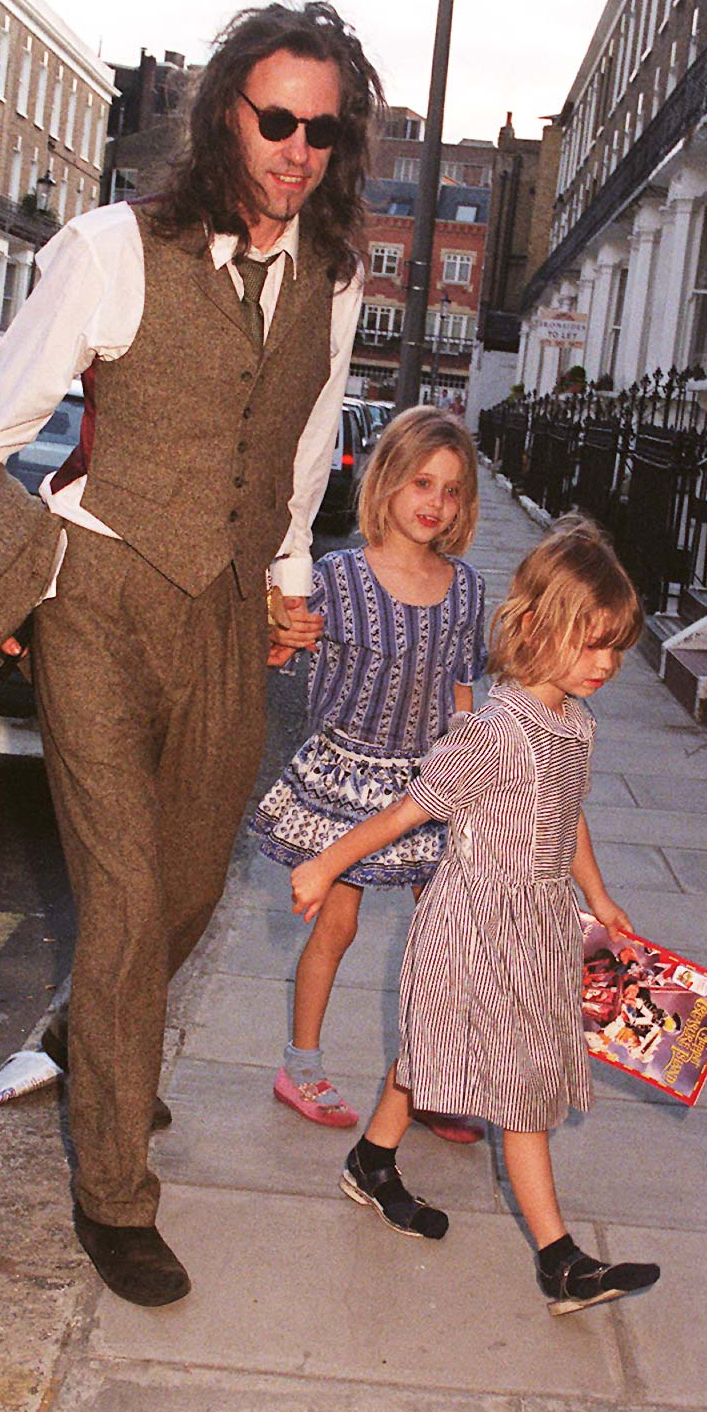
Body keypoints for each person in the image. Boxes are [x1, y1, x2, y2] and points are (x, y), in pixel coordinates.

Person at [0, 1, 384, 1307]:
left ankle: (90, 1024)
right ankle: (113, 1187)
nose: (295, 149)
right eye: (274, 118)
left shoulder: (334, 275)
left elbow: (305, 436)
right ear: (225, 112)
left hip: (228, 606)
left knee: (186, 882)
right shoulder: (111, 249)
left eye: (321, 127)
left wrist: (289, 575)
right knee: (124, 895)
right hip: (98, 590)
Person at [289, 516, 663, 1316]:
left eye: (615, 648)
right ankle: (559, 1260)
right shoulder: (493, 731)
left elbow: (568, 816)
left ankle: (372, 1162)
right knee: (519, 1086)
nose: (606, 664)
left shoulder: (574, 723)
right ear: (533, 628)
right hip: (471, 923)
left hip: (538, 922)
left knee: (435, 1051)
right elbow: (405, 811)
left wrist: (597, 899)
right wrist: (325, 863)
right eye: (592, 642)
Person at [250, 407, 486, 1141]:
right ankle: (302, 1065)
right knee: (339, 923)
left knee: (447, 935)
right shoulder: (338, 576)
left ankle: (431, 1077)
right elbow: (278, 652)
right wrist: (276, 628)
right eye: (421, 482)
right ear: (384, 482)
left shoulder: (467, 588)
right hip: (348, 778)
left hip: (428, 785)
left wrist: (469, 780)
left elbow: (461, 693)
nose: (434, 502)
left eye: (450, 490)